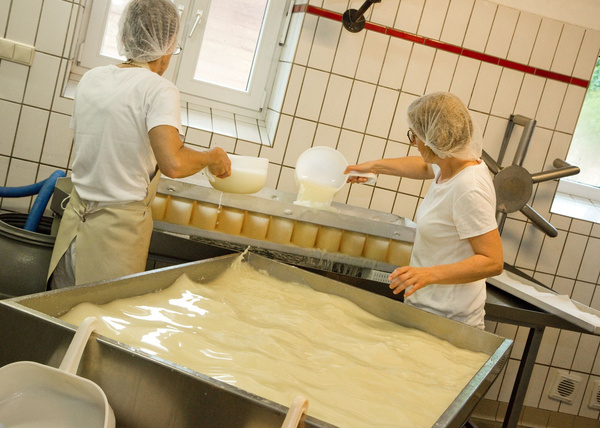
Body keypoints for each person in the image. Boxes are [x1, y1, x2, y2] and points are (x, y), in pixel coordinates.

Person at [48, 0, 231, 289]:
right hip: (114, 240)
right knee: (101, 316)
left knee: (57, 313)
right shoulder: (159, 89)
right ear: (169, 43)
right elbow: (173, 163)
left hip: (72, 228)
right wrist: (212, 157)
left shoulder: (92, 78)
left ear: (125, 35)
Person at [345, 92, 503, 329]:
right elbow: (423, 167)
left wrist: (428, 274)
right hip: (426, 309)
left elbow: (492, 261)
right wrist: (374, 167)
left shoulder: (468, 188)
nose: (414, 143)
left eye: (415, 136)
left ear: (435, 139)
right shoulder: (451, 164)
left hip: (449, 321)